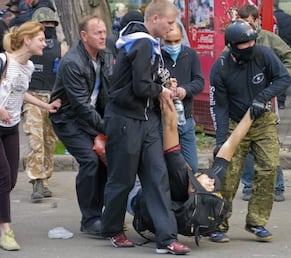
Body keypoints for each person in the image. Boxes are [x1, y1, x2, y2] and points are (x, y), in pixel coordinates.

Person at [100, 0, 191, 254]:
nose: (173, 28)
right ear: (154, 20)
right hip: (125, 120)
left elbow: (151, 81)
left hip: (147, 120)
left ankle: (167, 239)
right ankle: (112, 228)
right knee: (123, 179)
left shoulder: (151, 45)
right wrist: (160, 89)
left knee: (157, 177)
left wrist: (164, 86)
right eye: (170, 23)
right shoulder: (141, 43)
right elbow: (141, 87)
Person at [209, 19, 291, 243]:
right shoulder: (221, 68)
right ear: (232, 46)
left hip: (262, 120)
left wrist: (262, 98)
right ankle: (217, 224)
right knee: (227, 176)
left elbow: (284, 78)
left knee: (269, 168)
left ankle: (256, 222)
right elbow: (219, 107)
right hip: (236, 124)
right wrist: (220, 141)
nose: (250, 47)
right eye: (245, 44)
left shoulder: (263, 54)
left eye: (252, 41)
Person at [127, 97, 252, 242]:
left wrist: (167, 101)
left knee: (119, 172)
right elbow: (229, 147)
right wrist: (250, 115)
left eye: (207, 186)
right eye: (212, 188)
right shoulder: (203, 191)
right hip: (160, 208)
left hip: (138, 200)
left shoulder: (180, 177)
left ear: (193, 189)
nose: (211, 183)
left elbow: (170, 127)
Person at [0, 21, 61, 251]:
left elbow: (21, 92)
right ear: (27, 40)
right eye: (41, 39)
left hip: (11, 126)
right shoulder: (3, 60)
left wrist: (45, 107)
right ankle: (6, 231)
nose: (45, 43)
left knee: (11, 181)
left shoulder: (29, 67)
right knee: (3, 177)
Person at [49, 15, 112, 235]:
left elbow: (108, 93)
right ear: (84, 36)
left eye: (104, 31)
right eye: (98, 32)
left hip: (92, 116)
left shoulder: (104, 56)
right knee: (90, 160)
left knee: (106, 160)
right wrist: (107, 128)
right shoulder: (72, 62)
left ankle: (104, 214)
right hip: (68, 120)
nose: (103, 36)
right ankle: (90, 219)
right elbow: (81, 106)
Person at [236, 4, 291, 202]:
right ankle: (248, 185)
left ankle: (277, 186)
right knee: (244, 142)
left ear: (257, 21)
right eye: (241, 23)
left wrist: (278, 82)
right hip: (243, 98)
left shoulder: (269, 39)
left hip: (266, 98)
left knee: (268, 143)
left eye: (249, 23)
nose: (245, 27)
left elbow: (289, 56)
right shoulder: (234, 38)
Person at [23, 7, 68, 203]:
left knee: (49, 141)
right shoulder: (26, 46)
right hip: (32, 97)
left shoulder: (62, 48)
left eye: (51, 25)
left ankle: (45, 180)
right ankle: (37, 180)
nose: (48, 28)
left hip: (53, 98)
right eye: (44, 25)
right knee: (35, 139)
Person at [161, 21, 204, 172]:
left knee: (192, 167)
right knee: (166, 167)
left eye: (176, 41)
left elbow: (199, 81)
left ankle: (188, 194)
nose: (173, 45)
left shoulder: (190, 54)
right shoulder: (157, 57)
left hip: (185, 118)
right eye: (168, 41)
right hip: (164, 121)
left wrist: (184, 90)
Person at [272, 0, 291, 109]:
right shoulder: (288, 17)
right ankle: (281, 101)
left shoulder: (271, 18)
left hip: (273, 50)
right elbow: (289, 35)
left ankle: (274, 100)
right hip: (284, 49)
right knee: (282, 75)